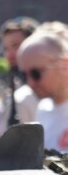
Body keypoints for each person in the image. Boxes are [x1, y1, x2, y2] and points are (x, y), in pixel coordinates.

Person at [17, 22, 68, 152]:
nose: (30, 83)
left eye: (36, 73)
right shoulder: (43, 109)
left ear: (64, 65)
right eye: (24, 75)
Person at [0, 16, 39, 126]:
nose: (10, 55)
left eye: (16, 46)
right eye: (6, 48)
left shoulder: (50, 88)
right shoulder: (13, 87)